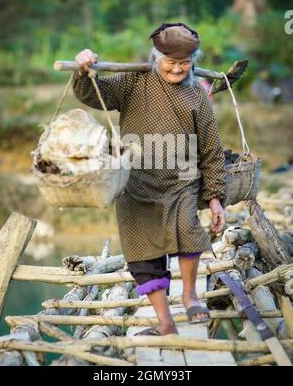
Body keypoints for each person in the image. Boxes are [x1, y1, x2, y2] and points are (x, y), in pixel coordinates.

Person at [72, 22, 226, 336]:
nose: (178, 69)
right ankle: (165, 322)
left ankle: (190, 295)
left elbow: (211, 149)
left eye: (185, 63)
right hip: (135, 181)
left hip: (181, 178)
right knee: (143, 252)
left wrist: (214, 198)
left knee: (187, 230)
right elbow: (92, 92)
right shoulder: (133, 82)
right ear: (155, 57)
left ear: (194, 62)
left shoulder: (197, 94)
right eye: (171, 62)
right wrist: (83, 68)